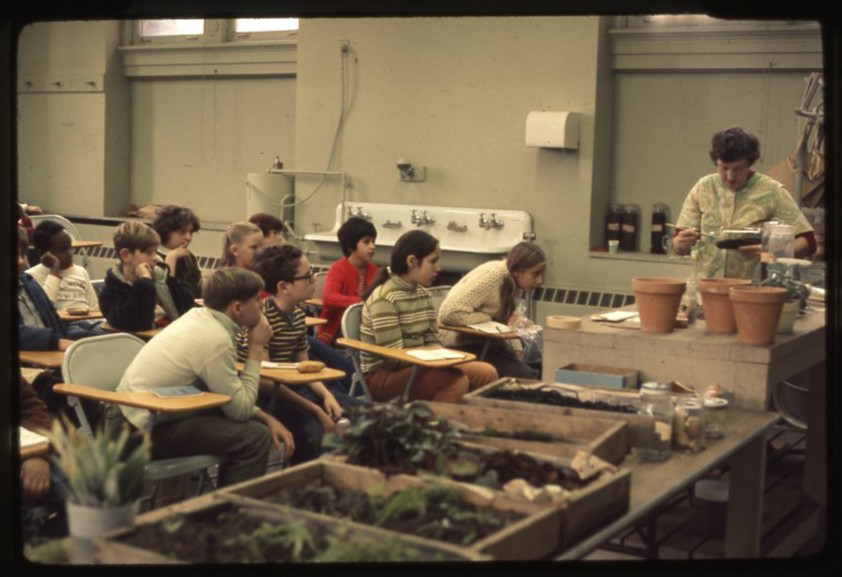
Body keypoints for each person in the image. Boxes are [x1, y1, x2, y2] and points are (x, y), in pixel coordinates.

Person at [115, 267, 293, 487]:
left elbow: (228, 396)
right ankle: (226, 515)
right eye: (257, 299)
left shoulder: (198, 316)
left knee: (252, 428)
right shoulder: (215, 339)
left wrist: (266, 417)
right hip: (140, 433)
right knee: (254, 438)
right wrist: (256, 348)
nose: (263, 305)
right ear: (237, 307)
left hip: (141, 419)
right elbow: (240, 411)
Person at [239, 245, 366, 464]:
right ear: (284, 286)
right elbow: (266, 381)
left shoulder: (298, 316)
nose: (314, 279)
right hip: (270, 398)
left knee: (369, 414)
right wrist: (316, 408)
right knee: (312, 432)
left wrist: (326, 396)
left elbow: (304, 367)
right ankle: (301, 486)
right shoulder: (261, 320)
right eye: (307, 276)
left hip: (297, 390)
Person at [360, 230, 498, 403]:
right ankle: (434, 428)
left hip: (420, 365)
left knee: (487, 373)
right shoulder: (384, 299)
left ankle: (472, 426)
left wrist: (440, 358)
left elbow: (433, 339)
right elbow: (394, 359)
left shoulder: (423, 294)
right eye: (433, 261)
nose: (438, 268)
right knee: (454, 381)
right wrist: (434, 362)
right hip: (384, 377)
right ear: (411, 262)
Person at [671, 127, 815, 280]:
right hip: (706, 289)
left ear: (749, 163)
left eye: (738, 169)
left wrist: (773, 251)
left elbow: (808, 241)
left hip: (750, 292)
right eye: (724, 168)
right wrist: (680, 244)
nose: (730, 177)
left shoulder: (771, 191)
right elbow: (678, 244)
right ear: (716, 162)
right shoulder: (703, 188)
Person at [438, 242, 546, 379]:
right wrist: (488, 318)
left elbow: (507, 322)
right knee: (525, 375)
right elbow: (449, 313)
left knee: (539, 365)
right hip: (461, 343)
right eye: (535, 274)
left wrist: (516, 348)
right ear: (518, 271)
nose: (540, 281)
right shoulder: (493, 276)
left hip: (486, 343)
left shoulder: (513, 283)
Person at [99, 221, 195, 332]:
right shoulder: (112, 292)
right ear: (126, 255)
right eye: (148, 252)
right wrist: (144, 282)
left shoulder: (161, 279)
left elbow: (188, 308)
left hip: (174, 336)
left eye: (155, 252)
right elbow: (138, 323)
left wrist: (167, 279)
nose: (155, 258)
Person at [19, 375, 70, 542]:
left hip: (28, 449)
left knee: (94, 495)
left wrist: (38, 455)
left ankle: (48, 549)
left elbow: (32, 409)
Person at [316, 217, 379, 346]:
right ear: (351, 246)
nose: (372, 246)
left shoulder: (375, 270)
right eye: (366, 242)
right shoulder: (338, 268)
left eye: (373, 241)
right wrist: (363, 303)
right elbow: (329, 298)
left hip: (364, 333)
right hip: (334, 333)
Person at [152, 204, 203, 299]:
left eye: (191, 232)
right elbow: (165, 296)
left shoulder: (189, 257)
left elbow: (196, 290)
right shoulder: (154, 257)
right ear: (166, 231)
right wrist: (172, 258)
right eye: (182, 232)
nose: (188, 237)